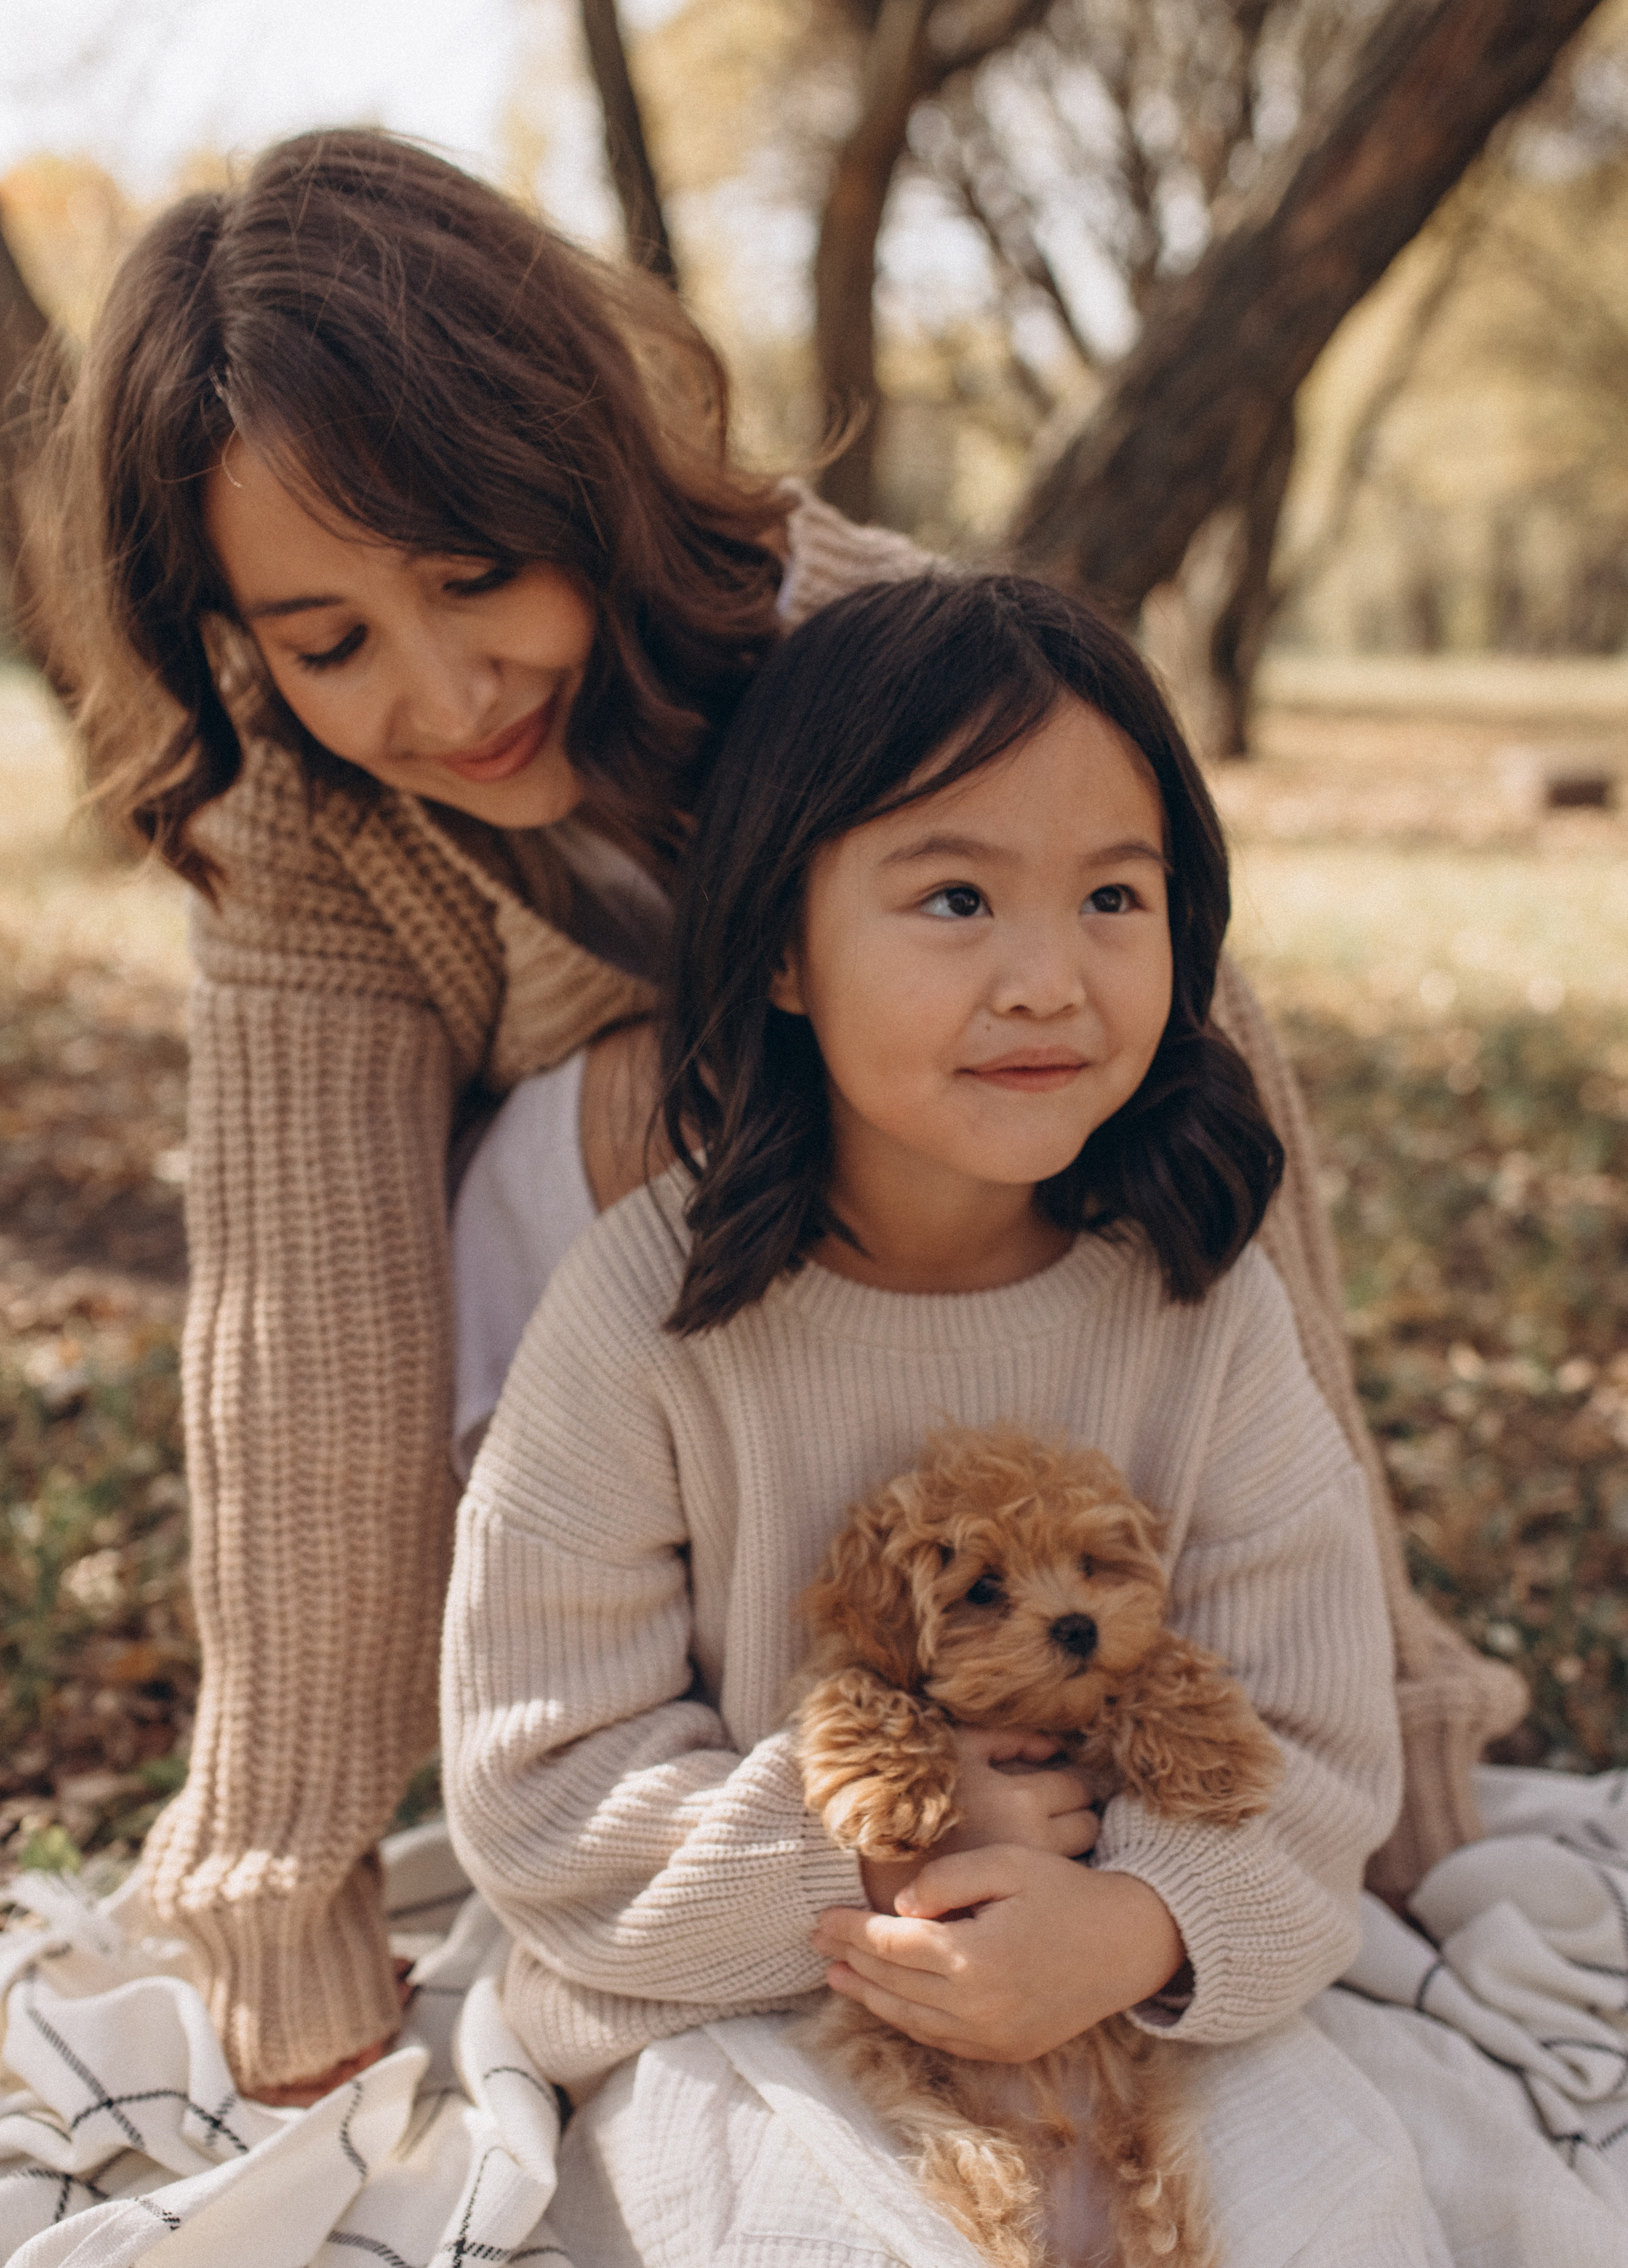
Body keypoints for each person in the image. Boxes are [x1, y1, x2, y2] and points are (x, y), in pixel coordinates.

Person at [23, 123, 1517, 2112]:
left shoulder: (885, 651)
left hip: (1004, 1346)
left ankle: (1050, 1733)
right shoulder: (308, 815)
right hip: (620, 1384)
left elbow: (1215, 1138)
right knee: (656, 1094)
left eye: (477, 576)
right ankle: (732, 1767)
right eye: (329, 640)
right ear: (240, 638)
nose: (444, 691)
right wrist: (284, 1885)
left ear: (581, 476)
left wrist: (1402, 1739)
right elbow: (309, 1340)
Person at [439, 573, 1554, 2268]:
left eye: (1115, 898)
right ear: (783, 948)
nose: (1049, 976)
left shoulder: (1196, 1306)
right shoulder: (646, 1318)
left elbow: (1312, 1745)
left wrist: (1135, 1928)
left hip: (1152, 1996)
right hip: (763, 2008)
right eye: (956, 898)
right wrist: (877, 1844)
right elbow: (542, 1786)